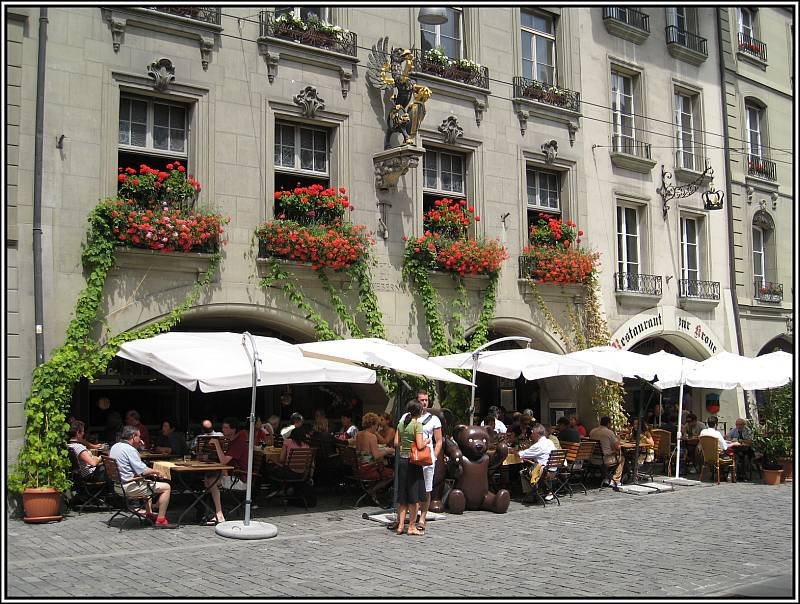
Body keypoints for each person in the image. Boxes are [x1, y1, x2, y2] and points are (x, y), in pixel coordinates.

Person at [109, 425, 175, 528]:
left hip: (118, 486)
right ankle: (161, 520)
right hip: (129, 487)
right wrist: (157, 472)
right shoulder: (130, 449)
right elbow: (142, 470)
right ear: (134, 436)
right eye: (139, 437)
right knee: (166, 487)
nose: (140, 439)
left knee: (147, 480)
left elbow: (131, 468)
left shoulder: (115, 446)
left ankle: (149, 514)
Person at [398, 389, 442, 535]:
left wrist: (434, 456)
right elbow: (416, 442)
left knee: (426, 489)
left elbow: (439, 440)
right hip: (412, 459)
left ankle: (421, 518)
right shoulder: (408, 419)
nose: (424, 403)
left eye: (426, 400)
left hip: (425, 459)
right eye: (422, 400)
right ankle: (407, 522)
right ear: (417, 402)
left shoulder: (434, 419)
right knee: (410, 490)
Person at [392, 400, 429, 536]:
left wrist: (405, 444)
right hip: (413, 462)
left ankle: (401, 525)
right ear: (419, 412)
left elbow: (396, 442)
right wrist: (426, 441)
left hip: (402, 460)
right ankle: (411, 526)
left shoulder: (401, 424)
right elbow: (419, 446)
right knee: (414, 496)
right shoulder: (417, 425)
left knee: (403, 495)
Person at [518, 423, 556, 502]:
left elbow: (522, 454)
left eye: (532, 433)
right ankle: (544, 491)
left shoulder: (538, 445)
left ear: (536, 434)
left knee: (523, 472)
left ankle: (531, 495)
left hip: (544, 472)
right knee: (534, 467)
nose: (531, 434)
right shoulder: (550, 442)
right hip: (554, 471)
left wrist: (513, 451)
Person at [355, 412, 395, 484]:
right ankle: (373, 491)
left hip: (359, 468)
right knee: (393, 473)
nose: (377, 427)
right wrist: (387, 451)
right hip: (370, 469)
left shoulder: (358, 434)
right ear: (373, 425)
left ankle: (373, 491)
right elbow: (376, 456)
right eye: (377, 425)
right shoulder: (372, 436)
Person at [588, 416, 625, 491]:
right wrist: (617, 438)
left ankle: (606, 478)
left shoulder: (593, 431)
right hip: (606, 459)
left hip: (593, 458)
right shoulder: (609, 432)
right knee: (622, 458)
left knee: (612, 455)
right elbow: (618, 447)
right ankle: (616, 480)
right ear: (608, 424)